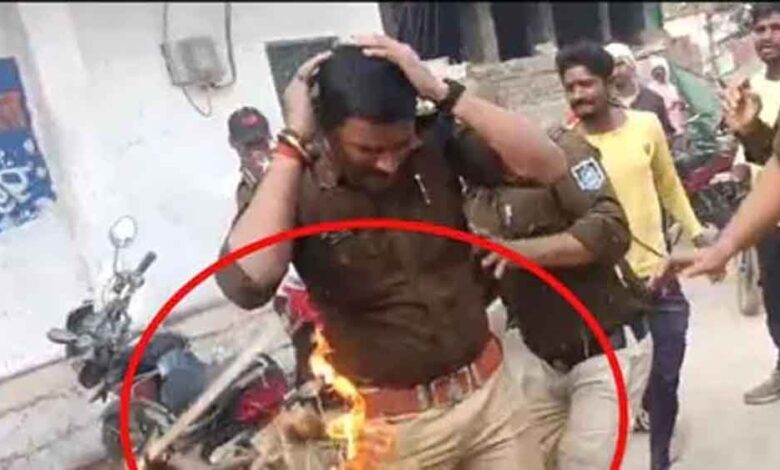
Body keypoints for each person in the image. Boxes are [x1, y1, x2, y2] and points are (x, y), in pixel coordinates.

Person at [215, 34, 567, 469]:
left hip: (492, 404)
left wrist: (443, 92)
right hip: (392, 432)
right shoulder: (294, 183)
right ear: (327, 131)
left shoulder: (432, 141)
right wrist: (291, 145)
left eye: (400, 146)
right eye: (368, 149)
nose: (388, 162)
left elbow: (549, 165)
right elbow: (248, 283)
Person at [554, 41, 709, 470]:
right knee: (614, 389)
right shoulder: (564, 147)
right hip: (605, 289)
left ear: (608, 83)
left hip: (657, 277)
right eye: (570, 87)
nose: (579, 94)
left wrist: (697, 235)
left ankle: (660, 456)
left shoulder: (645, 126)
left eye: (587, 84)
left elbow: (668, 185)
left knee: (666, 375)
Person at [466, 121, 653, 469]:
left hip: (605, 350)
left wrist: (520, 253)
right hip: (539, 357)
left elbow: (609, 230)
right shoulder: (471, 190)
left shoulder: (562, 151)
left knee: (582, 463)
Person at [680, 2, 780, 406]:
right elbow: (770, 158)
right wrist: (748, 135)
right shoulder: (750, 87)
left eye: (777, 27)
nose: (768, 37)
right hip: (767, 218)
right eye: (761, 29)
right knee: (775, 301)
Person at [604, 43, 677, 140]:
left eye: (619, 64)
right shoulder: (603, 104)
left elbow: (667, 137)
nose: (615, 72)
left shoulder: (653, 100)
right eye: (610, 67)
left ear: (631, 65)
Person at [647, 55, 687, 138]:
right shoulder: (651, 89)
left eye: (661, 70)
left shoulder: (672, 87)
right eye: (656, 70)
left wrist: (681, 104)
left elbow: (680, 104)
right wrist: (670, 106)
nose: (659, 73)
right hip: (664, 131)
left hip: (679, 127)